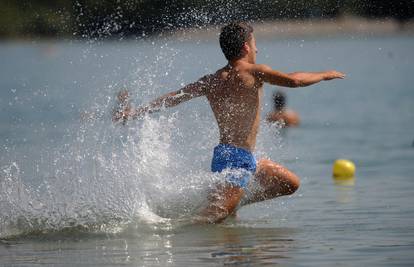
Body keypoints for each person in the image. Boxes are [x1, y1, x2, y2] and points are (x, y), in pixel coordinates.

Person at [113, 22, 345, 223]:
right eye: (254, 43)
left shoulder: (213, 80)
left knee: (290, 183)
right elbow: (294, 80)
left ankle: (236, 200)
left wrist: (136, 112)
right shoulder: (255, 72)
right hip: (235, 160)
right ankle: (171, 233)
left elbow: (176, 96)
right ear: (246, 47)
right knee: (210, 219)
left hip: (235, 157)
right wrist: (324, 75)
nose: (257, 48)